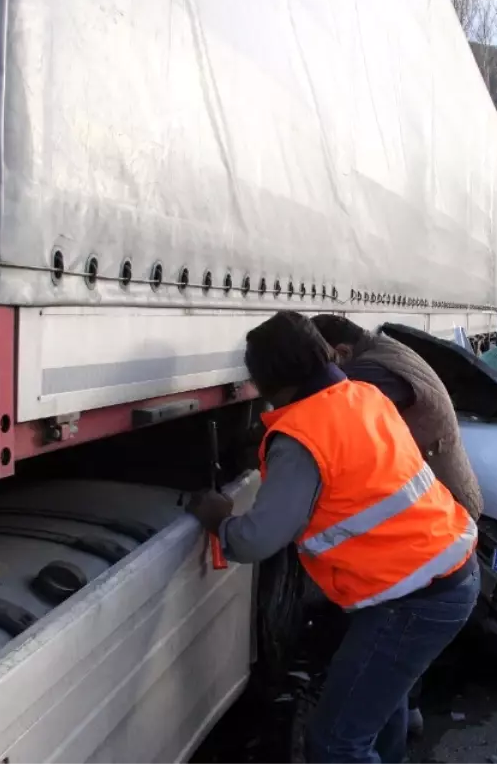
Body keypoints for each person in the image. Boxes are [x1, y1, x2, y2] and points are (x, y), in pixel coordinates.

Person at [187, 311, 478, 764]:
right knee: (380, 710)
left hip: (412, 599)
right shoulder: (362, 395)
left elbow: (255, 541)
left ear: (268, 381)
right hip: (444, 573)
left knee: (336, 743)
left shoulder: (301, 436)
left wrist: (220, 519)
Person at [310, 314, 484, 737]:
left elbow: (339, 413)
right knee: (401, 638)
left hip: (437, 515)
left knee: (401, 629)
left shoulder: (371, 373)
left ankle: (402, 713)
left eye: (324, 362)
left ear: (343, 353)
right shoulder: (385, 352)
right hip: (442, 506)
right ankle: (402, 715)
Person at [309, 314, 483, 521]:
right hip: (444, 498)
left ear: (342, 352)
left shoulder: (374, 372)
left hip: (447, 509)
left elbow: (330, 421)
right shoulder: (381, 349)